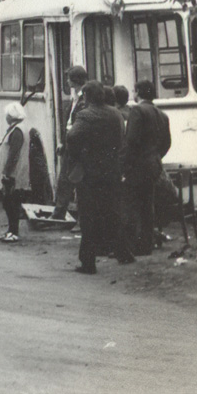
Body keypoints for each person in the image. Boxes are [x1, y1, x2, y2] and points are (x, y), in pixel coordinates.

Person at [65, 81, 125, 274]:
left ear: (87, 96)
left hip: (90, 173)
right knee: (113, 212)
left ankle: (88, 262)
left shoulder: (85, 115)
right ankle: (124, 252)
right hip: (112, 170)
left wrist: (80, 153)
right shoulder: (115, 113)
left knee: (88, 217)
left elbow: (72, 137)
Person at [122, 79, 172, 256]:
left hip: (137, 165)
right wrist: (156, 157)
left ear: (139, 93)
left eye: (135, 91)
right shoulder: (162, 115)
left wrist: (126, 166)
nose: (133, 95)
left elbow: (131, 141)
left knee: (132, 205)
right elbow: (167, 143)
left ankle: (132, 246)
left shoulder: (137, 111)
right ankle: (146, 244)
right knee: (147, 205)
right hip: (153, 165)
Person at [50, 65, 89, 221]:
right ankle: (60, 212)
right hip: (71, 145)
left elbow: (76, 123)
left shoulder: (84, 97)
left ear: (75, 80)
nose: (66, 81)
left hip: (76, 147)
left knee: (68, 180)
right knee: (67, 179)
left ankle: (61, 213)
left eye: (68, 78)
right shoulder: (77, 96)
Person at [0, 102, 30, 242]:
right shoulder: (18, 129)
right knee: (10, 202)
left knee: (10, 202)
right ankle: (11, 231)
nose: (6, 117)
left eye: (7, 115)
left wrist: (7, 172)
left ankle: (13, 232)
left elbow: (14, 154)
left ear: (11, 116)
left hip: (14, 174)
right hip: (15, 173)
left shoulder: (17, 131)